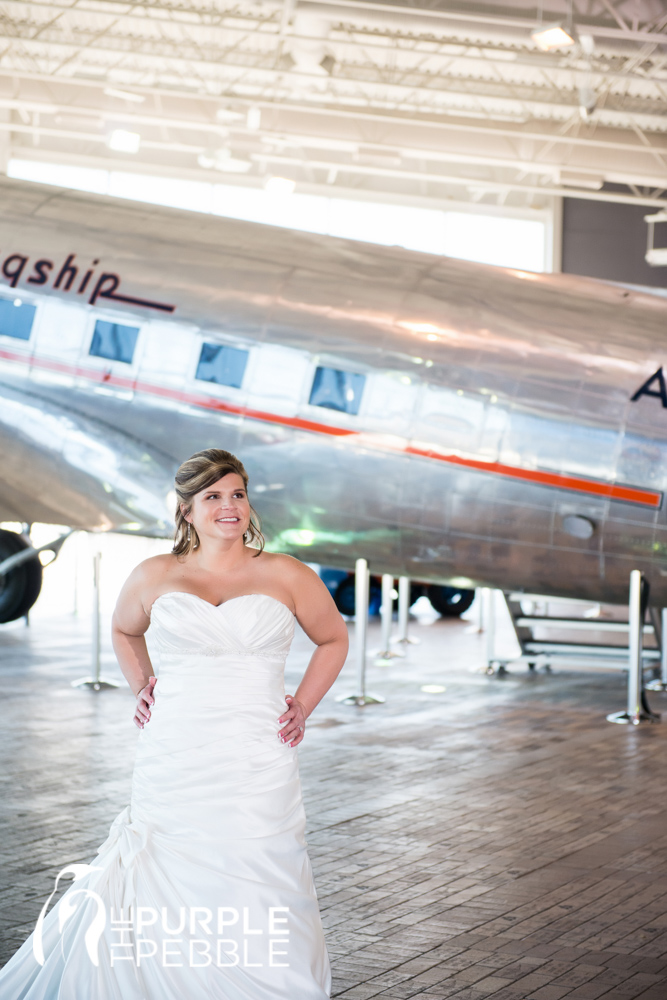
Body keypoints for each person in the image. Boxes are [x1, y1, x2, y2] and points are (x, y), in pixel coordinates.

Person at [0, 448, 349, 999]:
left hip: (257, 753)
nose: (229, 507)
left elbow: (333, 639)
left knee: (257, 865)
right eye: (213, 497)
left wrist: (302, 705)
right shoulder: (154, 574)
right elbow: (123, 630)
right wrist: (142, 686)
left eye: (237, 494)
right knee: (167, 867)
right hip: (175, 752)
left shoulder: (286, 573)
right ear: (187, 510)